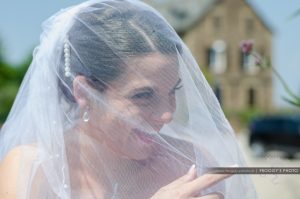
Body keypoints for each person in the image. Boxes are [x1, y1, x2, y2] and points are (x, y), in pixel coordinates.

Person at [0, 0, 257, 198]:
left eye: (172, 92)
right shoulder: (30, 168)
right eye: (144, 96)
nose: (167, 114)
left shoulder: (190, 163)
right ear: (84, 92)